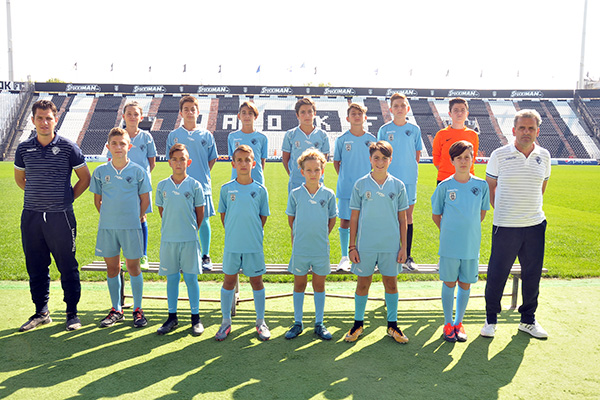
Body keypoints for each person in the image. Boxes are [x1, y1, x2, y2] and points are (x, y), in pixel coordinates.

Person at [14, 99, 91, 332]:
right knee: (36, 265)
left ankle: (72, 313)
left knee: (67, 265)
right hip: (32, 216)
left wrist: (66, 199)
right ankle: (41, 312)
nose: (44, 122)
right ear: (33, 120)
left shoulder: (69, 147)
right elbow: (20, 179)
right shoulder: (23, 148)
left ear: (56, 120)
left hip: (61, 217)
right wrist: (39, 197)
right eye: (40, 118)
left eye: (48, 118)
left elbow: (85, 178)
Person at [481, 109, 551, 339]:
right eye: (522, 128)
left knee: (532, 275)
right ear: (513, 130)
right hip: (506, 225)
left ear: (537, 131)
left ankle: (528, 320)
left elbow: (541, 187)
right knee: (497, 274)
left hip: (534, 225)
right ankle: (491, 319)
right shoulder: (499, 155)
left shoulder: (544, 156)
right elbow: (490, 187)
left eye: (531, 128)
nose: (526, 132)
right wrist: (504, 211)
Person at [345, 141, 410, 344]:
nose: (380, 162)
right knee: (363, 283)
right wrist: (352, 246)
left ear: (390, 160)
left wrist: (404, 247)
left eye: (384, 158)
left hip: (390, 245)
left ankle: (392, 325)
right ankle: (358, 323)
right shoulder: (361, 184)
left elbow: (403, 219)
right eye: (376, 158)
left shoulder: (398, 185)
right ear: (370, 159)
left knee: (391, 283)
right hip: (366, 245)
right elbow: (354, 218)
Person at [90, 128, 151, 328]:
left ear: (129, 146)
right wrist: (110, 217)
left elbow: (145, 200)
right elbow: (97, 201)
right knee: (112, 268)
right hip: (108, 228)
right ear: (108, 147)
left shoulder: (138, 171)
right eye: (114, 144)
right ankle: (116, 309)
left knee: (133, 267)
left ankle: (138, 309)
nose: (118, 147)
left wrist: (135, 218)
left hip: (131, 228)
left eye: (122, 143)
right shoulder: (100, 171)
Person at [431, 140, 489, 342]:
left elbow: (481, 213)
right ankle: (448, 323)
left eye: (467, 157)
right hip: (449, 246)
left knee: (465, 284)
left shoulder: (481, 186)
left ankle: (458, 323)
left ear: (472, 159)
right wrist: (449, 231)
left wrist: (466, 229)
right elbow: (436, 215)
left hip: (470, 245)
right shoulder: (445, 186)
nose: (463, 161)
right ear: (452, 161)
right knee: (449, 283)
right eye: (459, 158)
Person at [216, 145, 271, 341]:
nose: (243, 164)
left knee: (256, 281)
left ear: (253, 164)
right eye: (239, 160)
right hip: (232, 245)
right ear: (233, 164)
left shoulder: (260, 190)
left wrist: (251, 232)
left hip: (253, 245)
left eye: (247, 160)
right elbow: (224, 216)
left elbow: (262, 217)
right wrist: (234, 232)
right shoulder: (226, 189)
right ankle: (225, 322)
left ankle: (260, 322)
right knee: (228, 281)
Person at [284, 149, 337, 340]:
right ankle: (298, 322)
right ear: (302, 172)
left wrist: (321, 234)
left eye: (316, 170)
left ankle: (319, 323)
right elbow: (291, 219)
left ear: (322, 171)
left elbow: (332, 219)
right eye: (309, 170)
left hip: (320, 248)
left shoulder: (328, 194)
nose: (313, 173)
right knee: (299, 284)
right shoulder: (296, 194)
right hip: (301, 248)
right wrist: (298, 236)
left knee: (319, 285)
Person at [155, 143, 205, 336]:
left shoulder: (195, 185)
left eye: (182, 159)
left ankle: (195, 318)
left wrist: (189, 230)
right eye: (175, 159)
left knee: (191, 278)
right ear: (169, 162)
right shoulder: (162, 186)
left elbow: (200, 213)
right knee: (172, 278)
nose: (178, 163)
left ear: (188, 162)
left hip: (189, 240)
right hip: (169, 239)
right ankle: (172, 317)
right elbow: (162, 211)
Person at [166, 95, 217, 271]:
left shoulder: (206, 135)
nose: (189, 112)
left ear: (198, 112)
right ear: (181, 113)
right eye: (186, 109)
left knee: (204, 220)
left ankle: (205, 256)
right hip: (180, 185)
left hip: (202, 185)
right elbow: (170, 159)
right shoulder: (173, 135)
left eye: (192, 109)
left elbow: (212, 159)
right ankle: (184, 256)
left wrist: (202, 173)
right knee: (182, 220)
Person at [107, 101, 156, 271]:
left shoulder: (146, 137)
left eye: (136, 114)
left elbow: (151, 162)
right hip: (121, 184)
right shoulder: (117, 136)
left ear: (141, 117)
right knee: (122, 218)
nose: (132, 117)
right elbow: (112, 160)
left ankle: (143, 255)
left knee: (141, 217)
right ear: (123, 116)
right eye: (129, 114)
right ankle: (124, 256)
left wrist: (141, 179)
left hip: (141, 185)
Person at [378, 93, 423, 271]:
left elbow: (416, 155)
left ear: (407, 108)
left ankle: (407, 256)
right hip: (388, 180)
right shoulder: (384, 130)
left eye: (402, 105)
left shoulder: (414, 129)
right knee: (387, 216)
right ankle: (386, 255)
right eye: (396, 106)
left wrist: (409, 170)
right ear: (390, 109)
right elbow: (379, 155)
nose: (399, 108)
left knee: (407, 217)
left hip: (409, 179)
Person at [333, 103, 376, 272]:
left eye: (360, 114)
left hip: (367, 188)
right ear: (347, 118)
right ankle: (345, 257)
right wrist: (346, 177)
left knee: (367, 220)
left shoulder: (372, 139)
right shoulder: (342, 139)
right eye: (353, 114)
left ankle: (365, 255)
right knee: (345, 220)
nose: (357, 116)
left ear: (365, 117)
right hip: (346, 188)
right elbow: (337, 162)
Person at [282, 97, 330, 193]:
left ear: (314, 114)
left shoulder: (323, 135)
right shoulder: (290, 134)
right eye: (303, 112)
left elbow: (323, 161)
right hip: (296, 183)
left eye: (309, 112)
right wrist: (293, 175)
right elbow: (285, 159)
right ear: (297, 115)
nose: (307, 115)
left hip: (317, 183)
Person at [432, 98, 479, 184]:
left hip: (467, 179)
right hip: (445, 179)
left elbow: (473, 157)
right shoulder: (441, 134)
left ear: (467, 113)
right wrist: (448, 173)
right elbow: (436, 157)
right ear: (450, 114)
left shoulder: (473, 135)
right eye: (456, 110)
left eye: (462, 110)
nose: (459, 113)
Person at [227, 101, 268, 185]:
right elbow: (233, 159)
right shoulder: (232, 136)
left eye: (250, 113)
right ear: (239, 116)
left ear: (255, 116)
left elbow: (262, 161)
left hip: (257, 181)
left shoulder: (262, 138)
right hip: (236, 181)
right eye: (244, 113)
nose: (247, 116)